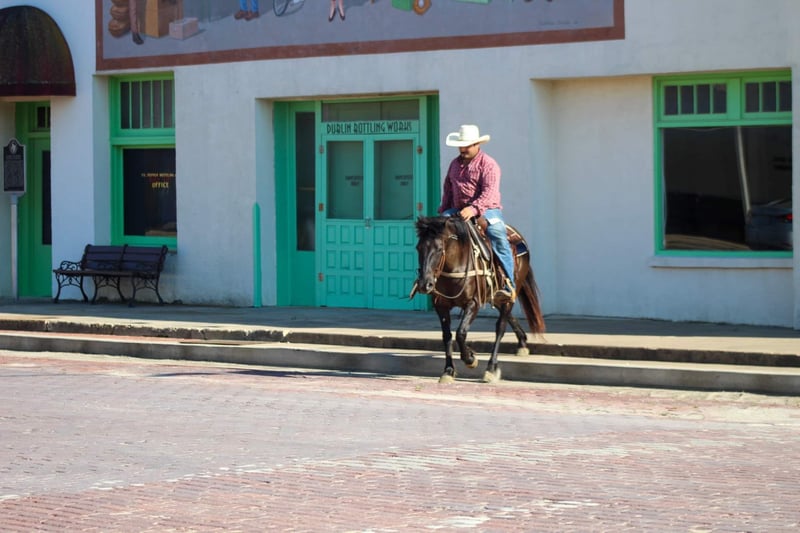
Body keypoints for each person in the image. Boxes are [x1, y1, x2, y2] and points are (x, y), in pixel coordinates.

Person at [438, 124, 516, 302]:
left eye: (467, 145)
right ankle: (433, 277)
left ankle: (508, 284)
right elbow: (448, 189)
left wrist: (473, 209)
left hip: (487, 210)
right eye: (461, 145)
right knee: (435, 232)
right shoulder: (454, 164)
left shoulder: (488, 164)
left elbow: (489, 193)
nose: (463, 149)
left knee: (498, 235)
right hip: (458, 209)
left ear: (477, 144)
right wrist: (444, 210)